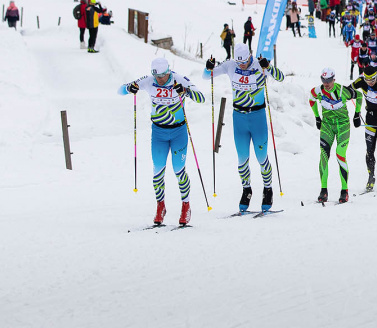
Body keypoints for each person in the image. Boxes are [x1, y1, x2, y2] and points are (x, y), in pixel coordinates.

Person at [118, 58, 206, 226]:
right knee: (158, 171)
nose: (159, 79)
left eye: (162, 76)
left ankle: (186, 205)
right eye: (156, 77)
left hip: (178, 132)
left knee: (179, 170)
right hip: (158, 133)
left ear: (168, 72)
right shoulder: (149, 81)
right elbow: (120, 90)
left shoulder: (179, 79)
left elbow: (202, 98)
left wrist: (185, 91)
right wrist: (130, 88)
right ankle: (161, 206)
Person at [204, 44, 285, 213]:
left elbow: (281, 77)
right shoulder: (230, 65)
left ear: (250, 56)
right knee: (242, 159)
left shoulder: (259, 64)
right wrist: (208, 67)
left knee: (261, 157)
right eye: (239, 63)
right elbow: (207, 76)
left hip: (257, 117)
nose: (241, 65)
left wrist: (268, 66)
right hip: (239, 118)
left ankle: (268, 189)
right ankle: (246, 190)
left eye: (245, 62)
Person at [308, 68, 361, 203]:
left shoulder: (343, 90)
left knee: (340, 154)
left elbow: (359, 96)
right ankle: (323, 190)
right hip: (327, 126)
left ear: (334, 79)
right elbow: (311, 98)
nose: (326, 83)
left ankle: (344, 190)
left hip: (343, 126)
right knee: (324, 155)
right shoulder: (318, 91)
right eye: (323, 80)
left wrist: (356, 114)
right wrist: (317, 117)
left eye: (329, 80)